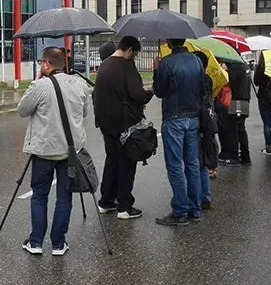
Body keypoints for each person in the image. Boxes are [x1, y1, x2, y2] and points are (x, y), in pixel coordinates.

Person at [17, 47, 90, 256]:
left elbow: (22, 110)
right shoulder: (80, 84)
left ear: (47, 64)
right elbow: (84, 113)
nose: (41, 65)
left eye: (42, 62)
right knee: (64, 197)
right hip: (70, 152)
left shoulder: (39, 85)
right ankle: (58, 243)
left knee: (39, 195)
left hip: (43, 151)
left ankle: (36, 242)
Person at [93, 36, 153, 219]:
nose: (133, 57)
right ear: (129, 49)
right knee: (127, 162)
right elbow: (137, 94)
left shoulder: (104, 65)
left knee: (112, 161)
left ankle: (106, 201)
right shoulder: (126, 66)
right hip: (124, 124)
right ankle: (124, 207)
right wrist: (149, 92)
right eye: (134, 53)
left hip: (105, 123)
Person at [153, 38, 205, 226]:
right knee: (192, 164)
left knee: (175, 165)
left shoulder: (166, 62)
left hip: (174, 117)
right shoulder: (196, 60)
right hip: (192, 117)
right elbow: (203, 88)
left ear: (168, 42)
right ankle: (195, 209)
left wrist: (156, 70)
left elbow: (159, 91)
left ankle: (180, 211)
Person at [193, 51, 217, 210]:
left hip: (196, 121)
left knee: (194, 161)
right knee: (201, 163)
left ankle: (196, 197)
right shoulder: (208, 79)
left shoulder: (195, 79)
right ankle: (205, 195)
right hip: (207, 123)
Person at [218, 59, 252, 166]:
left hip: (237, 101)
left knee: (234, 129)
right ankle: (245, 156)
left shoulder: (236, 67)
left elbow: (228, 81)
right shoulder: (244, 65)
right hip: (244, 99)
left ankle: (234, 157)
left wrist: (224, 71)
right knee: (240, 128)